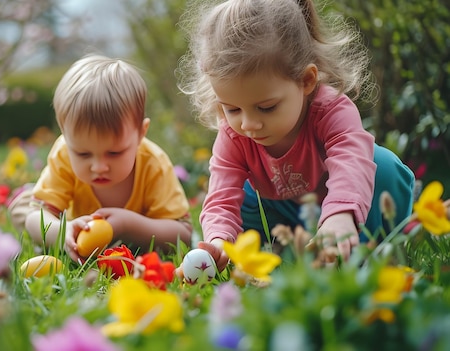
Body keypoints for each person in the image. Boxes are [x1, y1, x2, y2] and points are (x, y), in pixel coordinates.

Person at [176, 0, 415, 270]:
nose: (249, 124)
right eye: (232, 108)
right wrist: (219, 241)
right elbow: (222, 196)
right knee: (244, 196)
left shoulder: (330, 110)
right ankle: (284, 251)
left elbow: (351, 161)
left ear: (306, 80)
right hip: (280, 212)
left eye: (266, 107)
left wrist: (340, 215)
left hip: (343, 205)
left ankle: (360, 247)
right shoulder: (234, 133)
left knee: (382, 167)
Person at [8, 54, 193, 263]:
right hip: (70, 221)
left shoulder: (153, 163)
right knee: (25, 211)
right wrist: (63, 232)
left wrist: (127, 225)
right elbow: (37, 216)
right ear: (65, 135)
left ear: (141, 133)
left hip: (140, 232)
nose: (99, 167)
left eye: (114, 153)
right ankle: (30, 195)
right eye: (83, 154)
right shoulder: (64, 152)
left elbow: (183, 235)